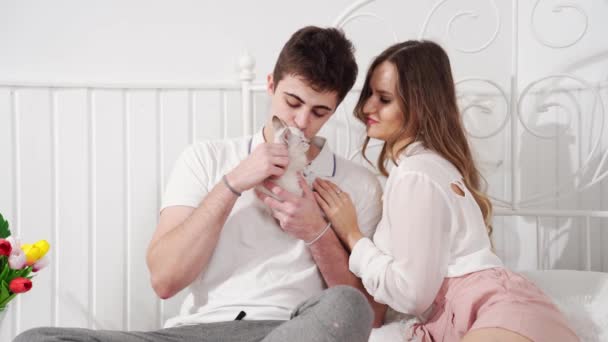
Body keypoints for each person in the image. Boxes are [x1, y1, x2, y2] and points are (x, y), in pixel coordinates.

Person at [15, 26, 386, 342]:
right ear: (270, 85)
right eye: (292, 102)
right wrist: (232, 183)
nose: (302, 122)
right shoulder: (207, 158)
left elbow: (370, 316)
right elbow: (165, 280)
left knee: (347, 307)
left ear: (334, 111)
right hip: (198, 332)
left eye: (319, 112)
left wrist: (316, 231)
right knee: (36, 339)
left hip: (290, 329)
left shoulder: (359, 185)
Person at [313, 40, 579, 342]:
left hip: (499, 312)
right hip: (494, 313)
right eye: (369, 94)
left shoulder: (417, 174)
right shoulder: (426, 166)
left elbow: (412, 295)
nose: (367, 107)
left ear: (419, 105)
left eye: (384, 99)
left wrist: (353, 237)